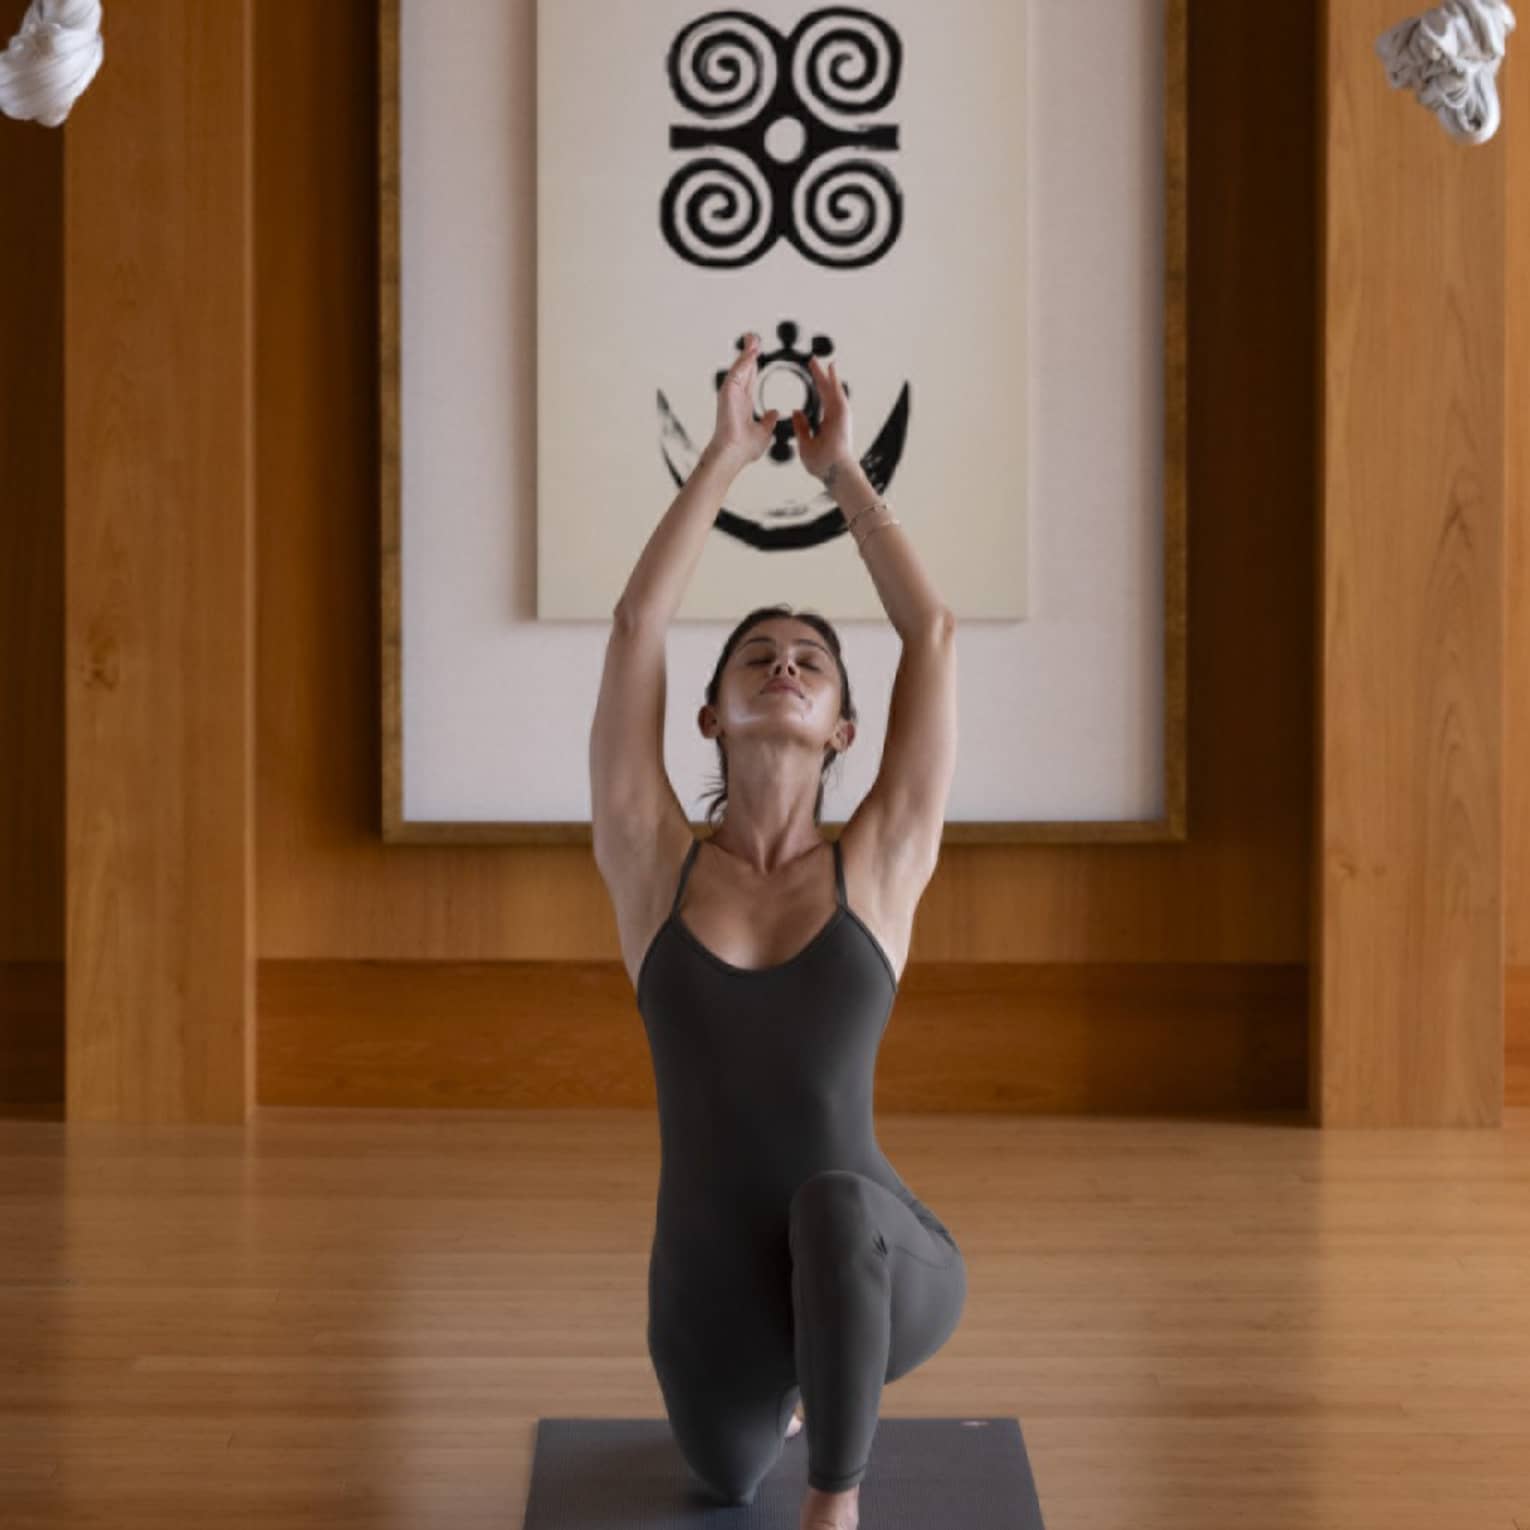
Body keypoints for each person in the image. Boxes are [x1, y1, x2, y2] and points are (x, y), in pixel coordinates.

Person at [589, 332, 964, 1530]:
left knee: (834, 1204)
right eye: (760, 655)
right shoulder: (655, 868)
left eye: (812, 660)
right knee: (715, 1478)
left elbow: (936, 635)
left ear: (846, 730)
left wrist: (843, 473)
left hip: (879, 1263)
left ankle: (835, 1503)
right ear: (712, 712)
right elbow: (636, 627)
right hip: (710, 1303)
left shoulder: (881, 867)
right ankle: (793, 1389)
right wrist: (722, 459)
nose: (788, 663)